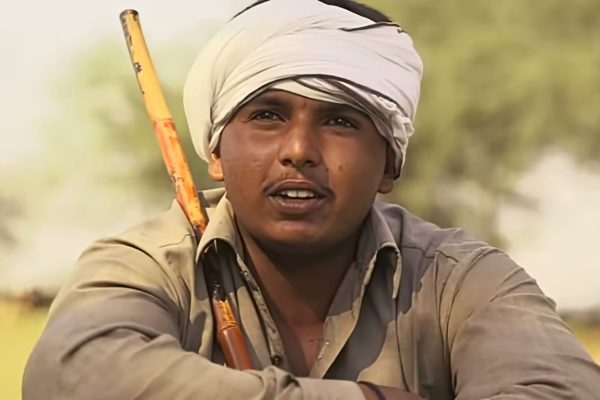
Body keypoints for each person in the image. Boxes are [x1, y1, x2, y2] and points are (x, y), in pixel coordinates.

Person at [23, 0, 600, 399]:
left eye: (341, 120)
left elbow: (557, 390)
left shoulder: (460, 280)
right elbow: (71, 378)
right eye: (268, 115)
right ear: (216, 152)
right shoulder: (148, 264)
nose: (299, 150)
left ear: (389, 163)